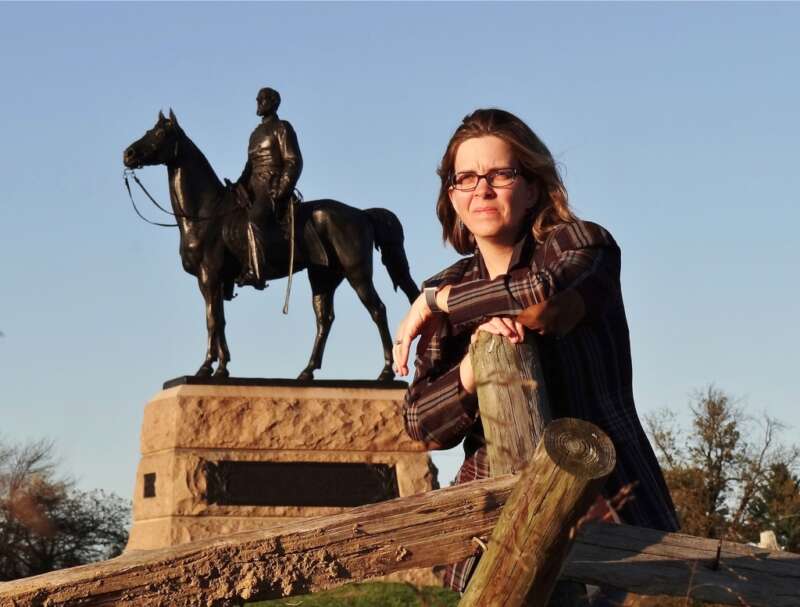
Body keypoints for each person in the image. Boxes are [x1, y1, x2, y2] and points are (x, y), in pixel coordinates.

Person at [393, 109, 678, 603]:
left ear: (532, 186)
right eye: (465, 178)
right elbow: (420, 422)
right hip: (497, 527)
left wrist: (436, 302)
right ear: (451, 196)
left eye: (500, 174)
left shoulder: (583, 245)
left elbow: (540, 295)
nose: (481, 189)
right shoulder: (450, 284)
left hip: (610, 507)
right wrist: (468, 371)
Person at [233, 86, 303, 289]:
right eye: (257, 99)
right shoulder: (255, 133)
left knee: (254, 217)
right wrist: (238, 184)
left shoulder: (282, 127)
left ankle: (257, 271)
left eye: (262, 99)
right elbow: (249, 166)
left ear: (273, 103)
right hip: (253, 187)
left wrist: (283, 189)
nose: (258, 103)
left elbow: (293, 161)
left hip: (271, 188)